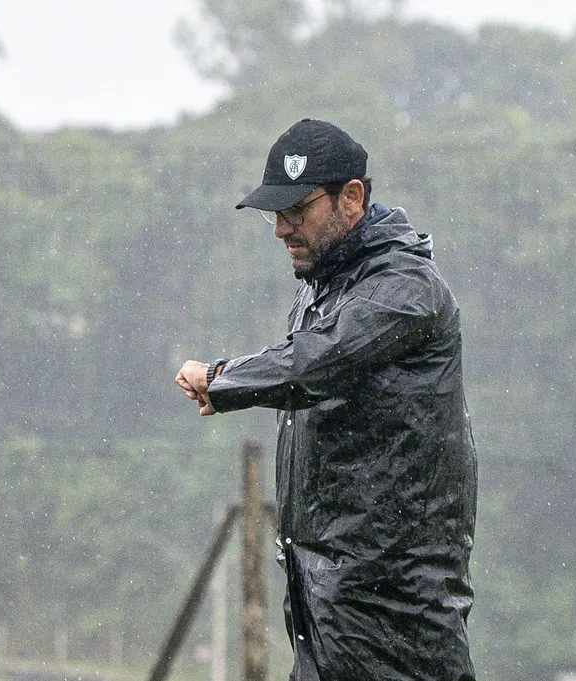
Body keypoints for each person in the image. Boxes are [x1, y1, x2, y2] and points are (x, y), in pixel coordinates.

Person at [176, 118, 478, 681]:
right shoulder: (322, 289)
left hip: (397, 615)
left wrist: (223, 379)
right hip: (325, 608)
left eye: (298, 211)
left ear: (353, 198)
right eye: (275, 213)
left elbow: (315, 361)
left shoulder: (407, 288)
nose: (281, 230)